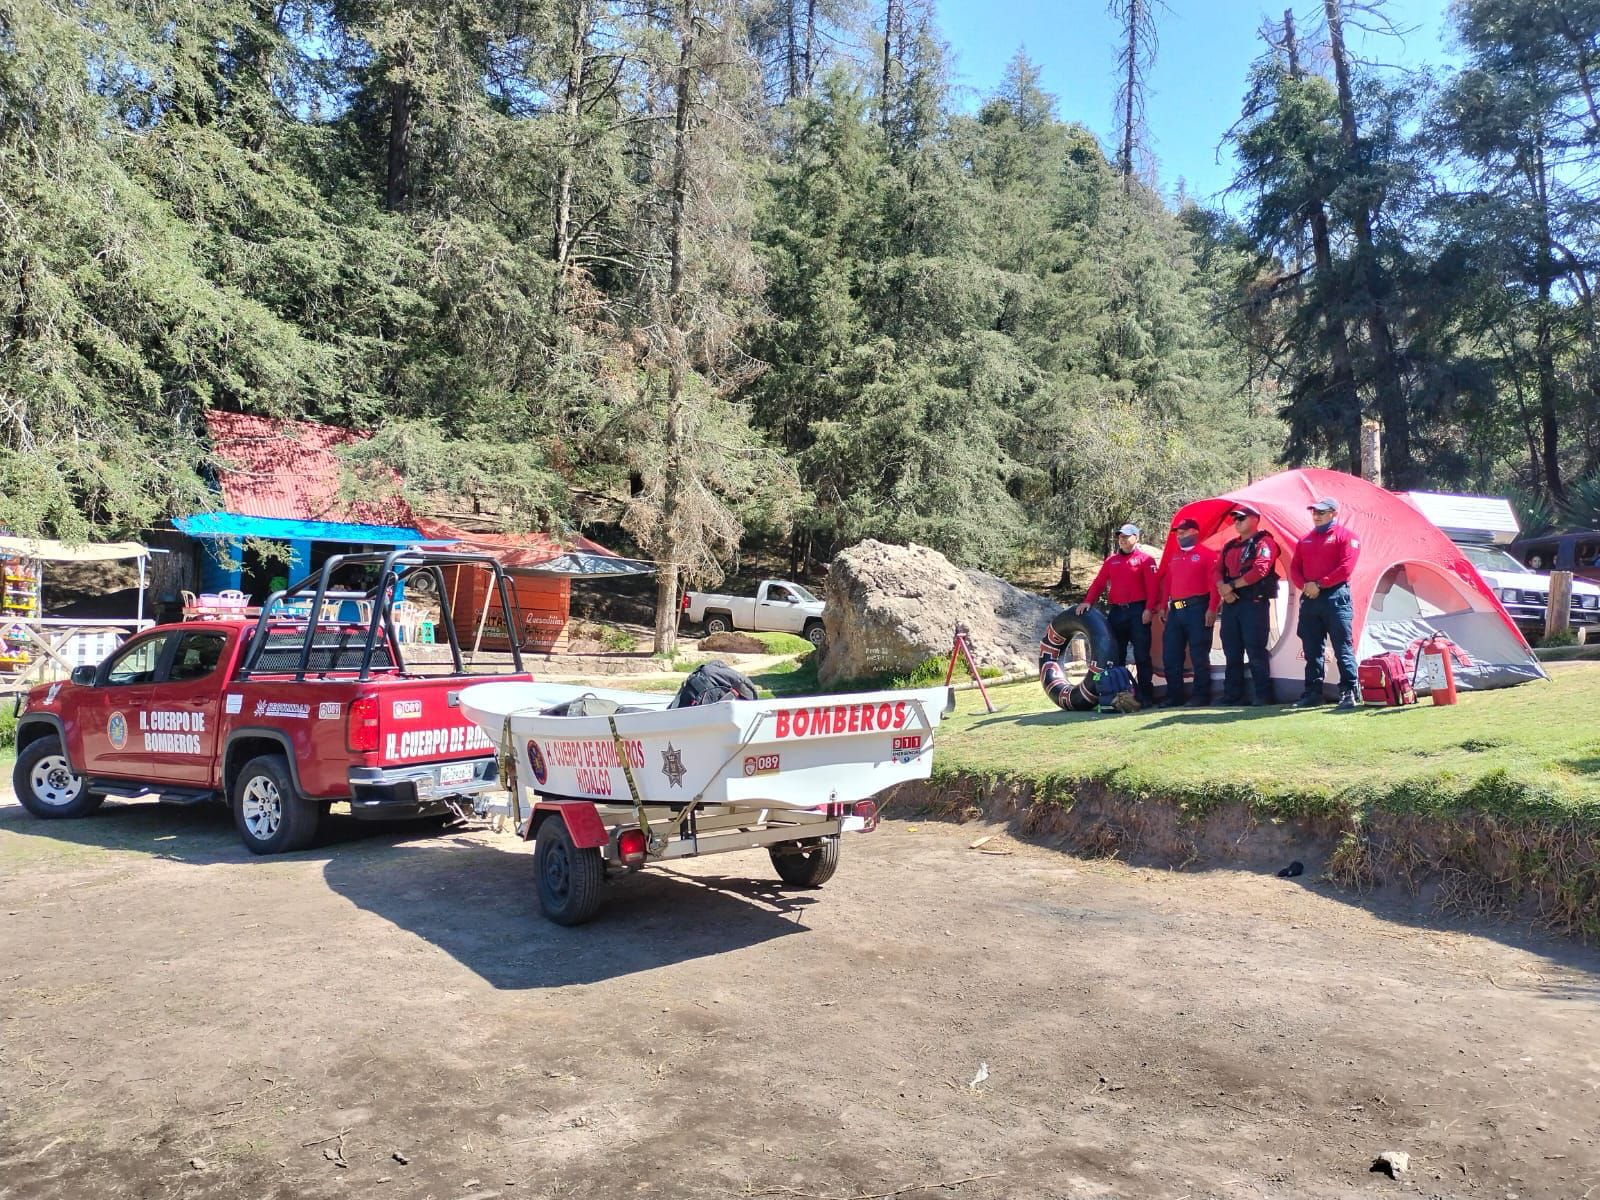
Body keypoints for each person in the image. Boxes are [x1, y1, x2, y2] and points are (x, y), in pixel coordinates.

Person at [1288, 496, 1362, 709]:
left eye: (1321, 512)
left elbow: (1346, 568)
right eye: (1314, 512)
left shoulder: (1347, 537)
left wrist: (1320, 584)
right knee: (1311, 649)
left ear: (1333, 514)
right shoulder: (1305, 540)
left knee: (1342, 647)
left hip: (1336, 597)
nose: (1316, 516)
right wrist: (1306, 586)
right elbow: (1295, 568)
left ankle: (1349, 691)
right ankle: (1312, 692)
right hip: (1311, 599)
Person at [1076, 523, 1158, 705]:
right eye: (1120, 536)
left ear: (1136, 538)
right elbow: (1099, 583)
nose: (1122, 539)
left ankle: (1145, 696)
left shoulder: (1146, 560)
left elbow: (1153, 588)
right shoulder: (1111, 561)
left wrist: (1149, 609)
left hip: (1138, 611)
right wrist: (1088, 601)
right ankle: (1119, 695)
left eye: (1126, 536)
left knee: (1142, 655)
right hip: (1117, 612)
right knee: (1116, 655)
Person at [1150, 517, 1220, 707]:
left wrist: (1212, 608)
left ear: (1194, 532)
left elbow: (1215, 585)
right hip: (1176, 610)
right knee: (1171, 654)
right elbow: (1168, 583)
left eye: (1183, 532)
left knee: (1199, 653)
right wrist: (1163, 605)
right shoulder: (1175, 555)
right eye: (1177, 533)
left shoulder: (1207, 555)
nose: (1179, 536)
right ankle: (1174, 696)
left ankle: (1201, 696)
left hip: (1198, 607)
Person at [1216, 504, 1280, 705]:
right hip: (1231, 603)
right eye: (1235, 518)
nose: (1236, 522)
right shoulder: (1229, 545)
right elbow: (1216, 570)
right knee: (1231, 650)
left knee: (1255, 649)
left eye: (1241, 518)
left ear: (1254, 519)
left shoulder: (1265, 542)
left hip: (1254, 602)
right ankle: (1232, 695)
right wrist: (1223, 589)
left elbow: (1260, 570)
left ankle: (1262, 695)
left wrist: (1232, 586)